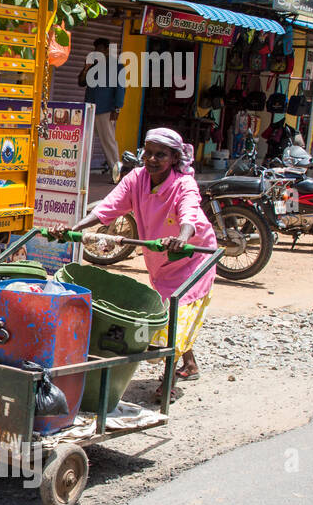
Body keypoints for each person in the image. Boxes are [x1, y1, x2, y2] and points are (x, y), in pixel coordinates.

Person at [48, 127, 217, 399]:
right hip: (160, 260)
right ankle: (190, 363)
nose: (151, 159)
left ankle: (169, 380)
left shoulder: (184, 184)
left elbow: (190, 215)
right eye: (147, 153)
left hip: (192, 258)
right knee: (170, 312)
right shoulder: (136, 179)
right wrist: (74, 229)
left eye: (159, 155)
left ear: (174, 158)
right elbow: (107, 208)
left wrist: (181, 239)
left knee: (176, 318)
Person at [77, 37, 126, 181]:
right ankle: (82, 174)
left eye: (100, 49)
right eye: (95, 49)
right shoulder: (92, 65)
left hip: (105, 110)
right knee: (85, 142)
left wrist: (117, 109)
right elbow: (81, 82)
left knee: (109, 143)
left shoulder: (117, 66)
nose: (97, 52)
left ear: (106, 50)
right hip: (89, 108)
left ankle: (117, 174)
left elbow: (120, 89)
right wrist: (86, 68)